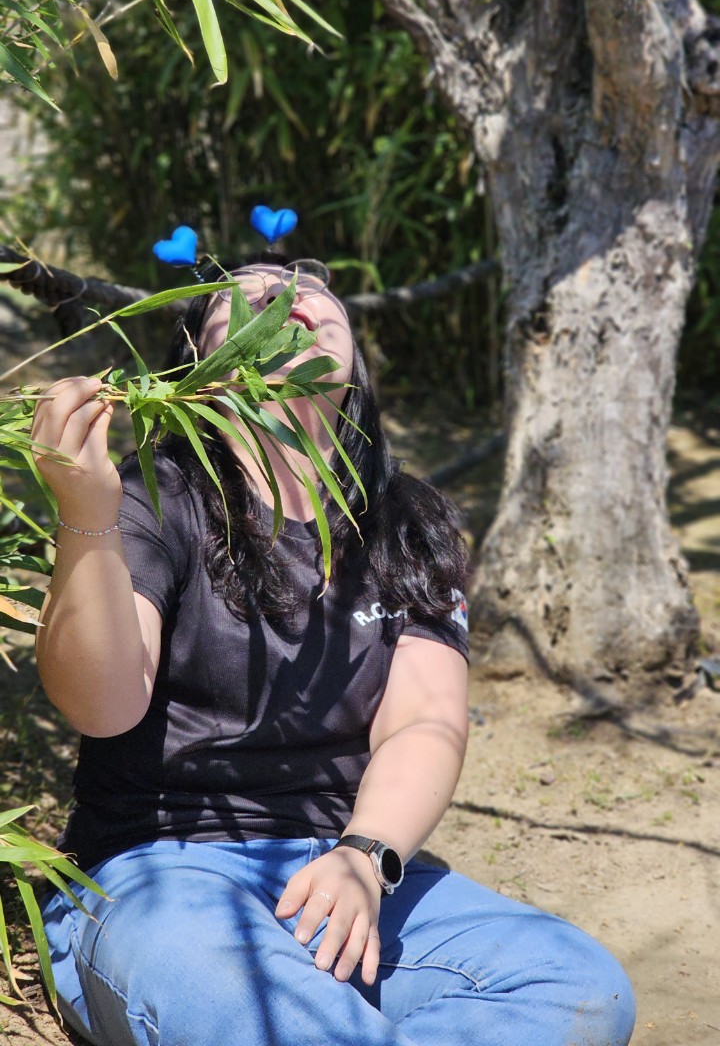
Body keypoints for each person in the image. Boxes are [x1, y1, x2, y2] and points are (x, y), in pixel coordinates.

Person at [33, 255, 635, 1046]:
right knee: (247, 1004)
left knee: (578, 985)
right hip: (162, 876)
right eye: (247, 296)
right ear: (198, 364)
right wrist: (86, 515)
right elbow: (102, 706)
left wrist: (366, 855)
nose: (288, 295)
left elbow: (422, 723)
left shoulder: (409, 519)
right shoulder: (153, 495)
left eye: (311, 287)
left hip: (350, 872)